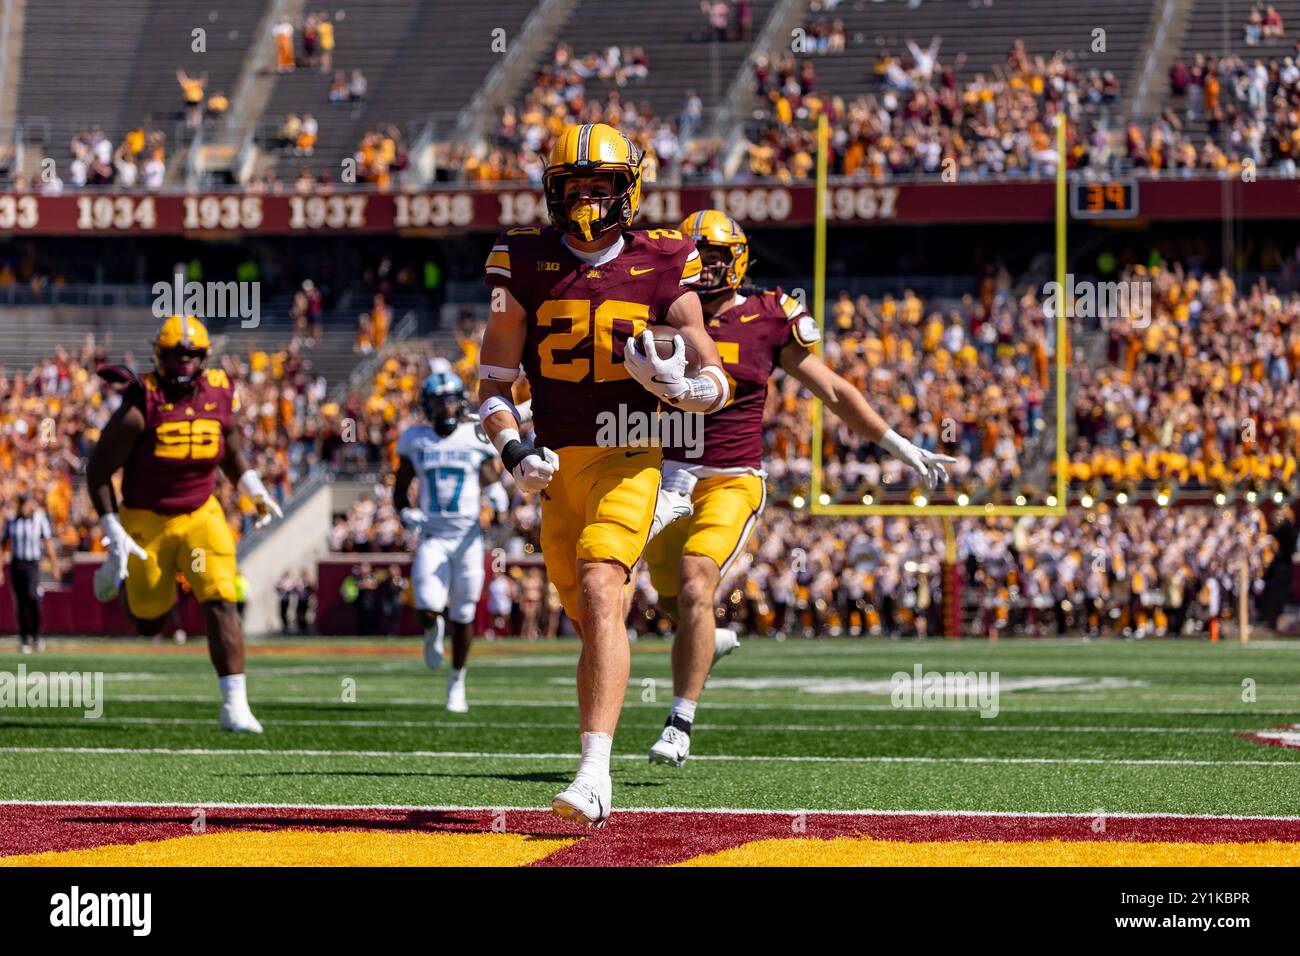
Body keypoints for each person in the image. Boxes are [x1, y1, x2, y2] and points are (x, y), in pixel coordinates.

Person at [477, 123, 729, 826]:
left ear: (631, 189)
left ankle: (594, 773)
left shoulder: (664, 258)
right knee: (591, 615)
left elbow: (714, 373)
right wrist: (512, 451)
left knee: (599, 582)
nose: (588, 199)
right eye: (574, 187)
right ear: (551, 193)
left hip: (631, 452)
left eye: (601, 186)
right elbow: (493, 383)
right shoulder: (520, 261)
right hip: (556, 466)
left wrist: (684, 390)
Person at [642, 210, 955, 766]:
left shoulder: (766, 316)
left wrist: (901, 446)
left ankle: (679, 722)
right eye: (699, 255)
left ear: (737, 260)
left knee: (695, 586)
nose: (708, 267)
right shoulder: (656, 308)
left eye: (717, 256)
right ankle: (708, 642)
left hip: (729, 480)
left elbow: (832, 390)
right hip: (663, 478)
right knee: (666, 600)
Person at [85, 315, 283, 732]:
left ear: (205, 357)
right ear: (160, 357)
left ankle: (234, 706)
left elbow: (227, 444)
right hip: (145, 517)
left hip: (200, 512)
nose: (184, 363)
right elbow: (98, 471)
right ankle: (116, 576)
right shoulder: (142, 405)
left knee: (221, 598)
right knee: (148, 622)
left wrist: (251, 484)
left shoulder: (220, 391)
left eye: (192, 355)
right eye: (176, 355)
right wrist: (112, 529)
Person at [393, 368, 507, 712]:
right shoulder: (416, 439)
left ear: (460, 404)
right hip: (432, 534)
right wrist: (403, 512)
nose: (446, 409)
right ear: (429, 406)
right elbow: (400, 489)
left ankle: (457, 681)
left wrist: (497, 494)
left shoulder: (473, 438)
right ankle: (431, 631)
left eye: (451, 402)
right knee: (426, 605)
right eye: (439, 403)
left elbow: (489, 478)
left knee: (464, 612)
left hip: (468, 537)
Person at [0, 493, 59, 653]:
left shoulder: (39, 519)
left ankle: (37, 635)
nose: (28, 507)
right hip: (16, 564)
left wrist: (54, 565)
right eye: (25, 504)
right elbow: (2, 544)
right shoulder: (12, 521)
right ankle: (24, 638)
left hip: (32, 564)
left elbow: (47, 541)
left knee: (33, 597)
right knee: (20, 601)